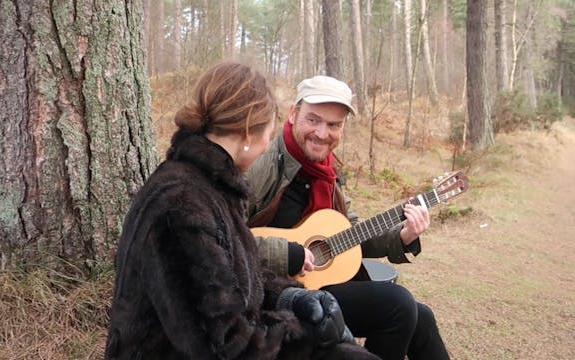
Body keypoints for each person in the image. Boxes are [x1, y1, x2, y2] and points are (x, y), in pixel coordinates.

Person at [105, 63, 380, 360]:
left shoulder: (211, 186)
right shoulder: (181, 206)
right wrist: (302, 331)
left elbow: (235, 271)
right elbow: (221, 344)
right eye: (268, 133)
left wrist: (290, 296)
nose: (266, 146)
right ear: (249, 132)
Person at [246, 75, 450, 360]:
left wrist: (403, 236)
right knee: (398, 304)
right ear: (293, 114)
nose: (321, 133)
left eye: (333, 125)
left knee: (422, 317)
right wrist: (287, 253)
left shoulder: (326, 172)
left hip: (318, 287)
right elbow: (226, 235)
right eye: (313, 120)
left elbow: (353, 233)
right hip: (274, 293)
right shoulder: (262, 165)